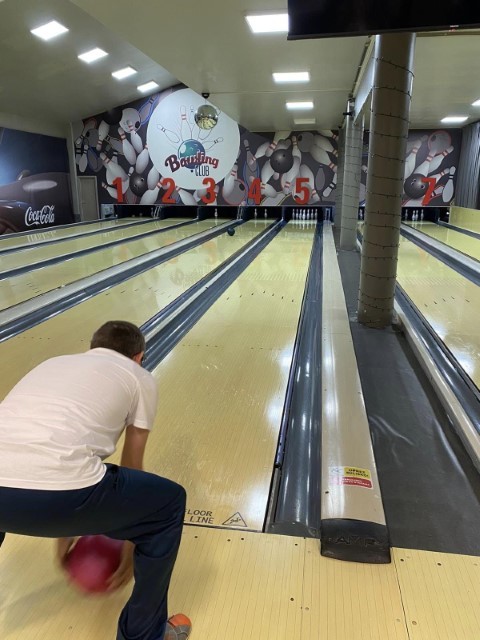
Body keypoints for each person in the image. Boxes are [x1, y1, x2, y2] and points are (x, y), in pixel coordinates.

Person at [0, 320, 191, 640]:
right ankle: (143, 635)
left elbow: (33, 454)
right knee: (169, 504)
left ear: (92, 348)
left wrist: (63, 536)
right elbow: (132, 464)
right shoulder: (139, 377)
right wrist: (131, 546)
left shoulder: (53, 363)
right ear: (139, 357)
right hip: (65, 494)